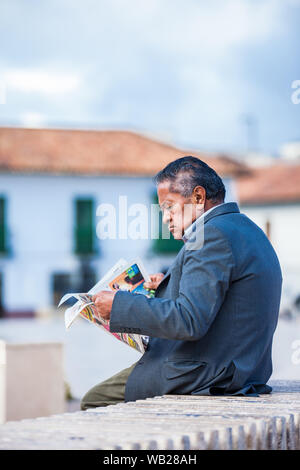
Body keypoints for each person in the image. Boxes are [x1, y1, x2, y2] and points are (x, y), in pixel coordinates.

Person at [80, 156, 282, 410]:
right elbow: (221, 302)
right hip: (240, 369)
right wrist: (166, 287)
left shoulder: (210, 236)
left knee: (94, 401)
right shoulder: (243, 228)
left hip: (206, 373)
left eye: (169, 206)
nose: (165, 218)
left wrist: (120, 305)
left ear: (198, 197)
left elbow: (189, 320)